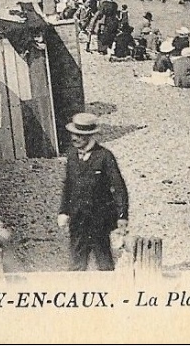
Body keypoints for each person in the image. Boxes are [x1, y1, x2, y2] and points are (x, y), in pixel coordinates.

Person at [59, 113, 130, 271]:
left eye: (79, 136)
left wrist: (122, 216)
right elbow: (68, 186)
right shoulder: (71, 156)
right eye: (73, 134)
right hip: (77, 219)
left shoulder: (104, 157)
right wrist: (63, 211)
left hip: (100, 220)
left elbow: (119, 188)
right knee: (77, 263)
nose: (74, 139)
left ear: (89, 136)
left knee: (104, 261)